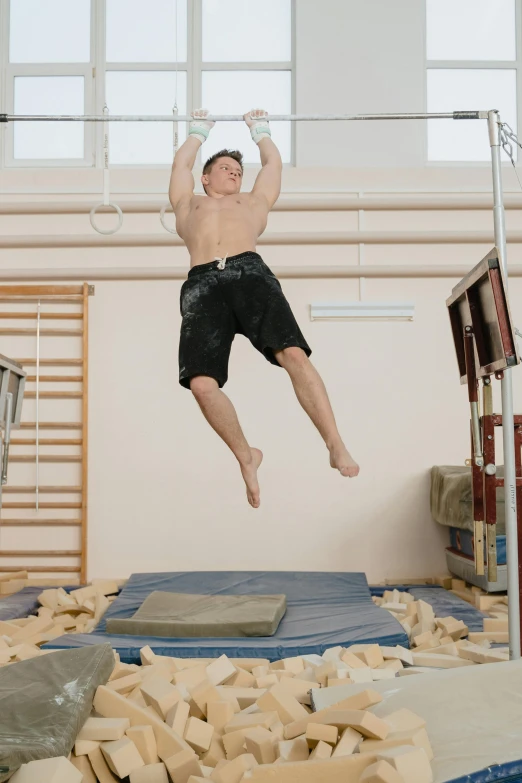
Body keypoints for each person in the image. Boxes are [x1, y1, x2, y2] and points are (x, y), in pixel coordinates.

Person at [169, 108, 359, 508]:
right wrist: (198, 131)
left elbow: (272, 163)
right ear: (206, 178)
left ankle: (335, 442)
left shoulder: (254, 203)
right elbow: (182, 162)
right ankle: (245, 455)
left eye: (238, 169)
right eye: (224, 168)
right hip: (203, 284)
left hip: (250, 275)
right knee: (202, 385)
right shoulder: (188, 205)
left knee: (293, 353)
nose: (233, 172)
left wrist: (261, 130)